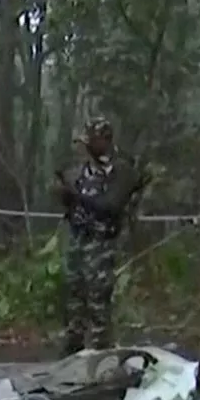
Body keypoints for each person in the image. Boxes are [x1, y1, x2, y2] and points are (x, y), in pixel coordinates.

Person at [53, 118, 145, 354]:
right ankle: (73, 346)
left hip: (101, 242)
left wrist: (77, 196)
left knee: (98, 298)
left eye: (92, 141)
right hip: (77, 237)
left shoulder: (122, 170)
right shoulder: (82, 169)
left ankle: (100, 351)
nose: (87, 147)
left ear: (104, 140)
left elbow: (110, 205)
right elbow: (70, 197)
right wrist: (65, 194)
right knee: (73, 294)